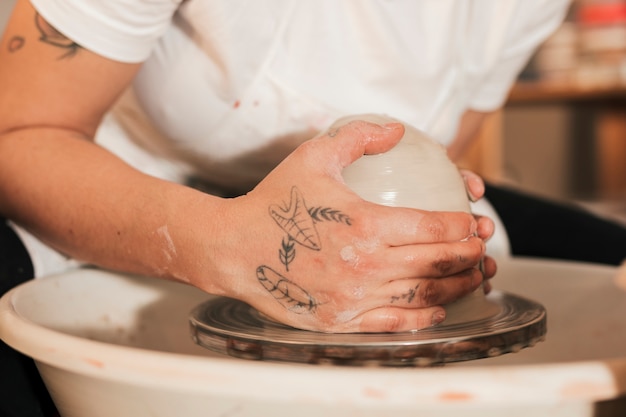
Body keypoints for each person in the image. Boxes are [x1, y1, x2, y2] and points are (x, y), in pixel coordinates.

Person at [0, 0, 623, 416]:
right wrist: (225, 243)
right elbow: (17, 134)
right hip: (134, 181)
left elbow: (439, 153)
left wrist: (411, 249)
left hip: (358, 199)